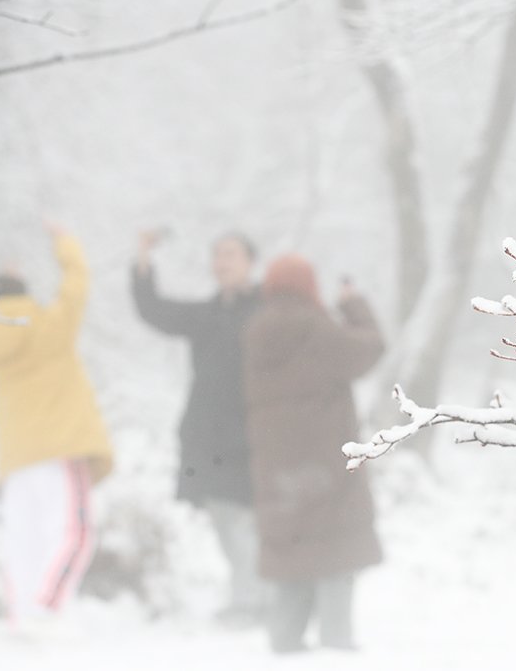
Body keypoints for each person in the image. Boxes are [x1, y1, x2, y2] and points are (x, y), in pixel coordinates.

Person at [242, 254, 384, 654]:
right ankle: (337, 649)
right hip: (327, 468)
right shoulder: (316, 328)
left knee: (291, 559)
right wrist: (353, 304)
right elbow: (370, 349)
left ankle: (284, 646)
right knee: (336, 554)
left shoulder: (255, 334)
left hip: (277, 472)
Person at [0, 224, 114, 633]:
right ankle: (46, 611)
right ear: (22, 293)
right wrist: (65, 243)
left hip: (16, 460)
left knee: (23, 542)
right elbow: (76, 286)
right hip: (60, 450)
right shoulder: (45, 326)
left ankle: (21, 620)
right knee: (75, 532)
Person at [130, 229, 265, 623]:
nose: (222, 262)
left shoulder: (267, 311)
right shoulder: (206, 315)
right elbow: (153, 309)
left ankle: (253, 603)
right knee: (225, 517)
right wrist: (143, 259)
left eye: (231, 254)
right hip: (208, 437)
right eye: (217, 254)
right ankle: (252, 598)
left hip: (254, 433)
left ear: (250, 263)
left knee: (246, 519)